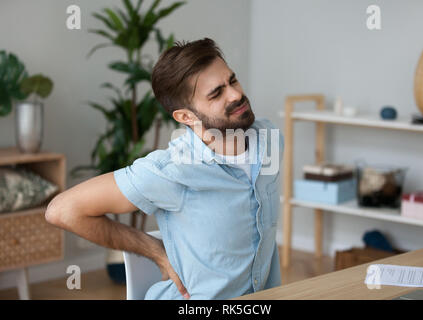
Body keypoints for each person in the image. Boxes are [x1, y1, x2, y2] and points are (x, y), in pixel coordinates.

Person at [45, 38, 284, 300]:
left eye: (233, 81)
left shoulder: (268, 139)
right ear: (185, 117)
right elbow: (62, 211)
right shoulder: (172, 171)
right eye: (216, 93)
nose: (236, 94)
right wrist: (156, 251)